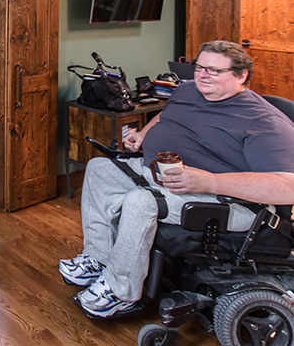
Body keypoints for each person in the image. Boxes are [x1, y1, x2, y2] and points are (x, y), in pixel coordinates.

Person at [58, 40, 294, 318]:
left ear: (241, 76)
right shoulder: (190, 90)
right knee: (99, 168)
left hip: (227, 200)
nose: (203, 75)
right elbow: (166, 116)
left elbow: (287, 187)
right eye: (200, 67)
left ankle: (120, 292)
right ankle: (98, 258)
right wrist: (142, 136)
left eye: (214, 71)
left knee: (140, 201)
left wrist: (209, 182)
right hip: (170, 177)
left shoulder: (264, 121)